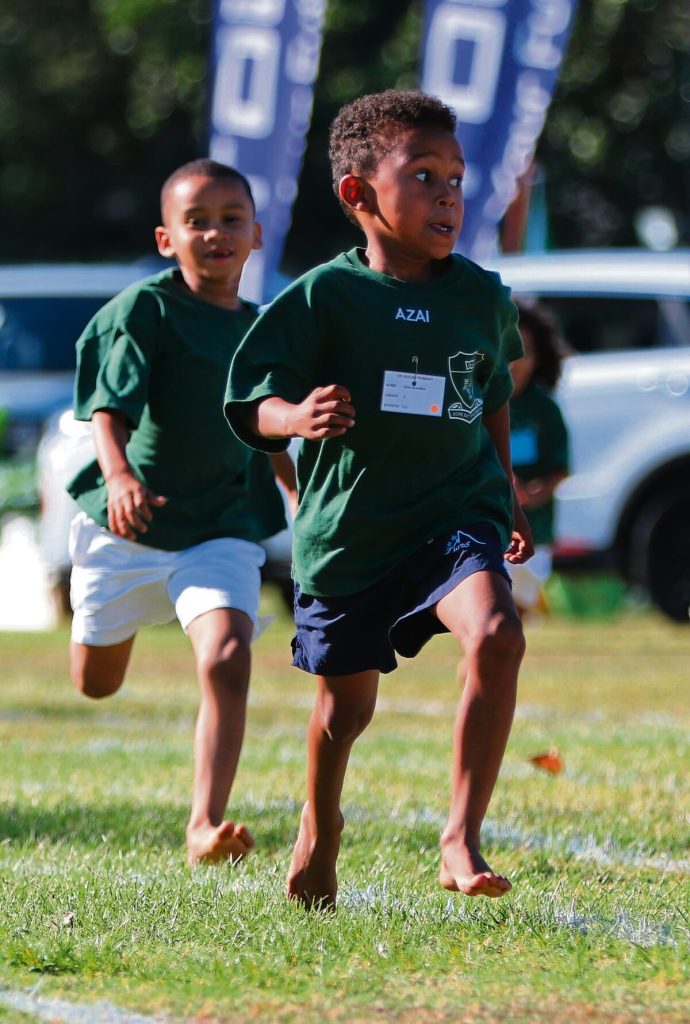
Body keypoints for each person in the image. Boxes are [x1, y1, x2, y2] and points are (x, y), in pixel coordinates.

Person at [225, 89, 533, 909]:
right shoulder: (323, 298)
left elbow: (494, 387)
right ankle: (318, 831)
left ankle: (460, 838)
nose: (447, 195)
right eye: (424, 174)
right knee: (344, 710)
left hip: (456, 517)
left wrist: (503, 483)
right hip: (352, 536)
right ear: (358, 194)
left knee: (498, 635)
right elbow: (253, 406)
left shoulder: (481, 295)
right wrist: (297, 416)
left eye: (458, 179)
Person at [67, 158, 296, 866]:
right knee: (95, 683)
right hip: (127, 527)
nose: (215, 233)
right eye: (196, 221)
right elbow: (108, 410)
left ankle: (204, 825)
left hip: (220, 527)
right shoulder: (146, 311)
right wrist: (119, 478)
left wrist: (301, 493)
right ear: (167, 238)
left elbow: (266, 429)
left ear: (256, 235)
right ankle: (115, 628)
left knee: (229, 654)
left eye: (231, 219)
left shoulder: (264, 330)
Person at [508, 302, 570, 616]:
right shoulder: (475, 404)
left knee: (518, 611)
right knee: (490, 612)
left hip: (535, 529)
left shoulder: (543, 410)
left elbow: (561, 467)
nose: (515, 363)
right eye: (507, 350)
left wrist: (535, 492)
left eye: (525, 352)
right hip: (489, 527)